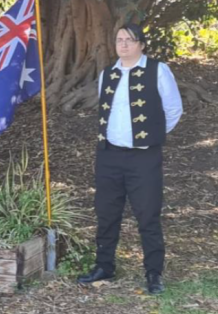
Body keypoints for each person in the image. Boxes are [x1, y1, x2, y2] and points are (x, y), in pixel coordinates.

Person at [77, 23, 183, 294]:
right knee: (106, 212)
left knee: (147, 214)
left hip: (144, 158)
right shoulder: (108, 74)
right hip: (109, 154)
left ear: (142, 44)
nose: (123, 45)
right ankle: (104, 265)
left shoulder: (157, 70)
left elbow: (173, 110)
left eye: (130, 40)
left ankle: (153, 273)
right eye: (119, 40)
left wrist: (151, 137)